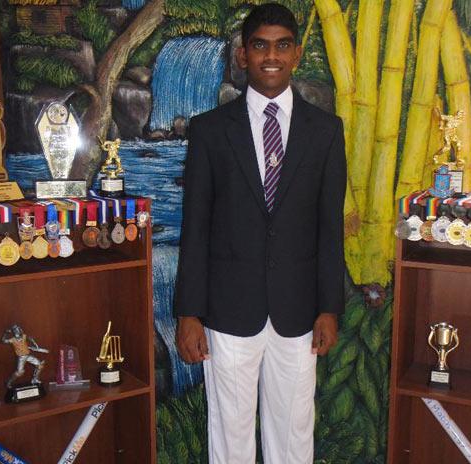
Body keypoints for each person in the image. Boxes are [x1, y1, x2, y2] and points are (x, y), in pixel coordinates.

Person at [174, 3, 346, 463]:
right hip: (228, 310)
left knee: (292, 431)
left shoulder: (326, 131)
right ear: (243, 54)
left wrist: (329, 307)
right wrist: (189, 312)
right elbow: (196, 228)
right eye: (260, 45)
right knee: (229, 432)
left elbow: (330, 229)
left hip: (298, 311)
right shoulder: (210, 131)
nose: (272, 55)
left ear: (296, 53)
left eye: (282, 45)